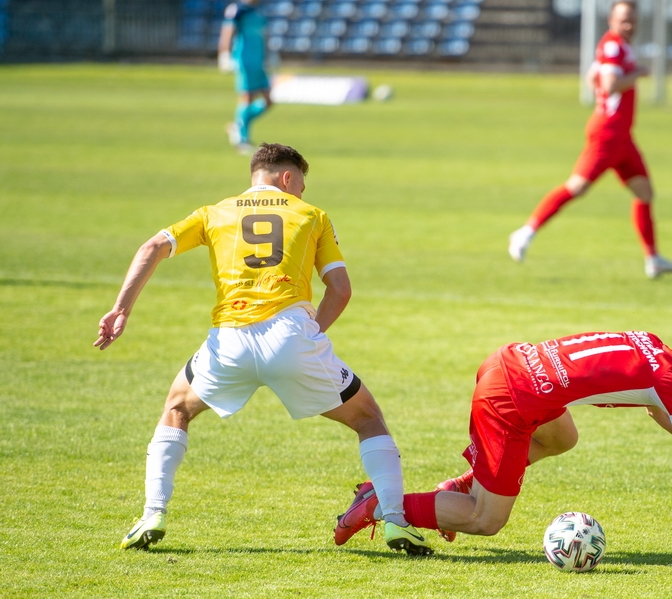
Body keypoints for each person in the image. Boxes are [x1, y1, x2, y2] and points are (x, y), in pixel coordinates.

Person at [95, 143, 431, 556]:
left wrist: (120, 310)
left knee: (177, 410)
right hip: (291, 333)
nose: (302, 194)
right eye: (301, 186)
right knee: (368, 419)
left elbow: (151, 248)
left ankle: (152, 514)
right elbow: (340, 290)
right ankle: (396, 521)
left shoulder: (212, 212)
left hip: (228, 341)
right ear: (287, 178)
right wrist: (306, 339)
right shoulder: (312, 216)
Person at [334, 326, 672, 546]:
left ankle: (460, 487)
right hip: (512, 397)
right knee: (485, 521)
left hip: (510, 364)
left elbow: (663, 413)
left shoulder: (653, 346)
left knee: (561, 438)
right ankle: (380, 503)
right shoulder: (669, 381)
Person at [508, 0, 672, 279]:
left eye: (632, 19)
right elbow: (609, 84)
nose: (629, 24)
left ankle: (653, 259)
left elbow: (593, 77)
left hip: (621, 136)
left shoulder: (615, 46)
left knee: (645, 193)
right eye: (623, 19)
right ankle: (525, 231)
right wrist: (636, 74)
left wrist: (608, 98)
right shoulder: (614, 46)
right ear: (611, 21)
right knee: (576, 187)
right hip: (608, 134)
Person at [219, 0, 273, 154]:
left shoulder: (260, 10)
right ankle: (242, 140)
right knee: (247, 99)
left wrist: (269, 55)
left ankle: (238, 125)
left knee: (268, 101)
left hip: (259, 61)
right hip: (245, 60)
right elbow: (228, 31)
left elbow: (264, 35)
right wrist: (225, 53)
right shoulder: (237, 9)